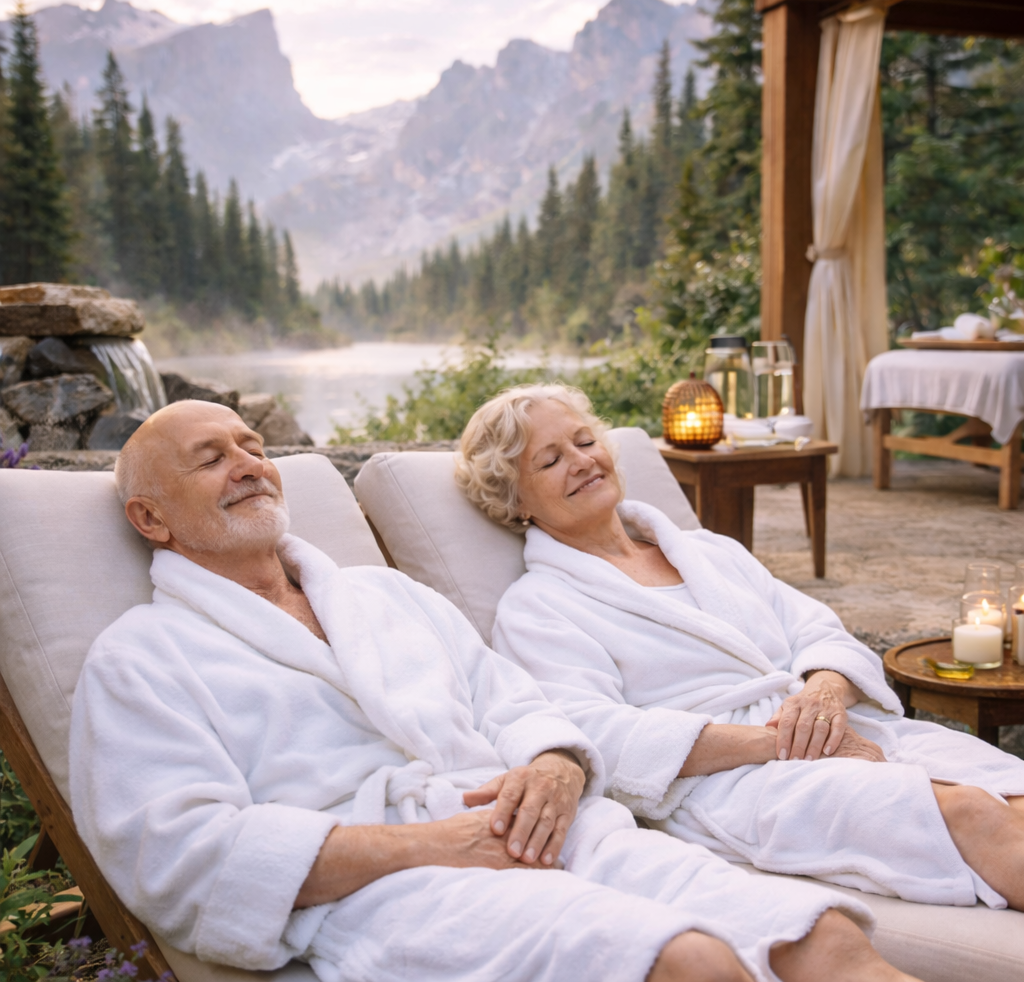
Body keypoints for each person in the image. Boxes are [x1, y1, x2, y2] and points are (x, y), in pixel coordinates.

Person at [68, 399, 917, 982]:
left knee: (821, 936)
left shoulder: (382, 596)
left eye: (253, 446)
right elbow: (179, 858)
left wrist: (554, 769)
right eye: (211, 459)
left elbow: (521, 705)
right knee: (687, 961)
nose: (249, 466)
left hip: (550, 827)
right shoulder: (141, 660)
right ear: (152, 518)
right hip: (389, 886)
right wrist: (435, 843)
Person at [457, 383, 1024, 912]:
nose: (581, 461)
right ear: (516, 500)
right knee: (970, 811)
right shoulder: (538, 607)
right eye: (551, 460)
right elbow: (601, 735)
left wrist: (824, 694)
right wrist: (778, 741)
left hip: (832, 730)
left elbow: (821, 634)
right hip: (738, 781)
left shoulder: (708, 551)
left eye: (584, 441)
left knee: (1011, 791)